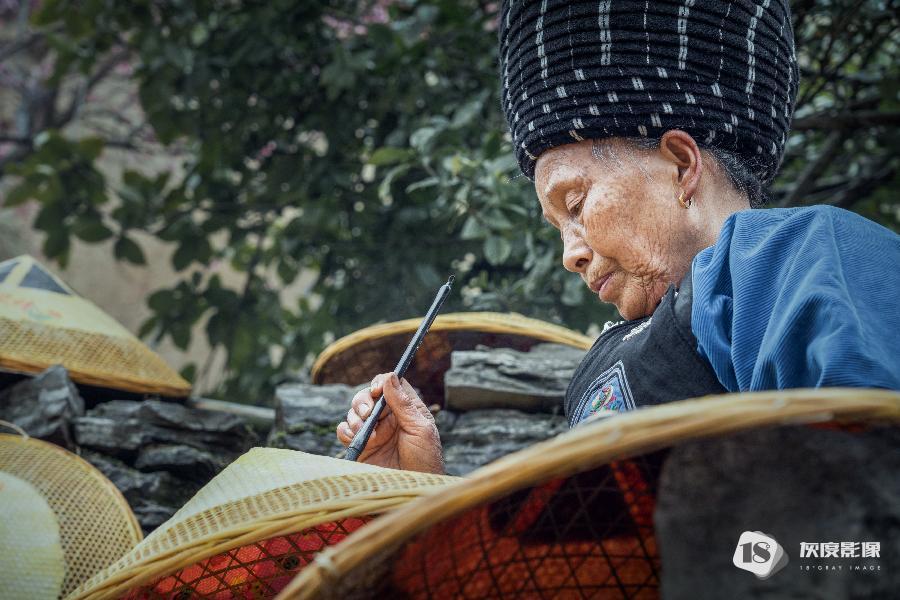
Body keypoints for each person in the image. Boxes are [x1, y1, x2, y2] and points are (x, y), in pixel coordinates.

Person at [337, 0, 900, 473]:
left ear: (682, 166)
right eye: (558, 228)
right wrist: (421, 485)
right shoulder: (608, 357)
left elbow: (870, 483)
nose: (570, 255)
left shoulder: (800, 256)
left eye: (576, 205)